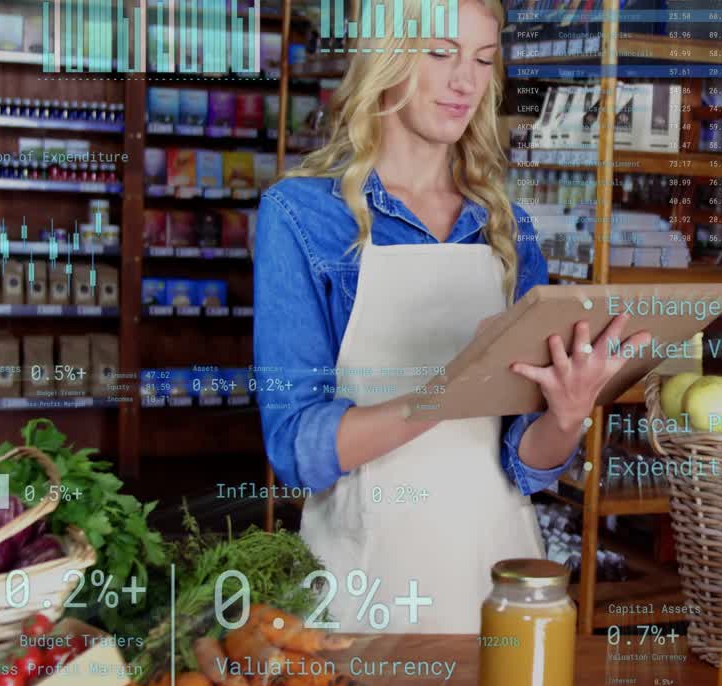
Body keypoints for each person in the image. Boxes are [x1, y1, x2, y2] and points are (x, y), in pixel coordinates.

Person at [252, 0, 649, 633]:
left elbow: (526, 462)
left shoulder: (506, 227)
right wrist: (446, 393)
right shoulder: (302, 216)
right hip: (365, 581)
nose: (465, 81)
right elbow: (296, 448)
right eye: (441, 54)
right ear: (387, 57)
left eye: (484, 60)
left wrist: (566, 415)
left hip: (495, 576)